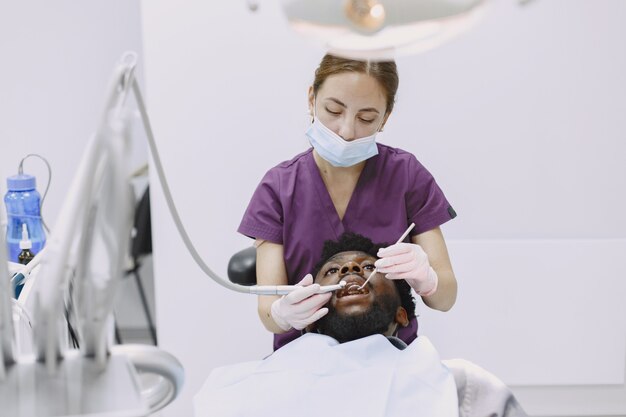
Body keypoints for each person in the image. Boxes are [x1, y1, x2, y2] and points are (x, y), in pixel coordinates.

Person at [238, 53, 458, 350]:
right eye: (333, 110)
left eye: (366, 118)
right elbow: (268, 314)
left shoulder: (406, 176)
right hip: (302, 362)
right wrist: (282, 313)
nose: (346, 131)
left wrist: (428, 280)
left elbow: (446, 298)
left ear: (385, 118)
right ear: (312, 98)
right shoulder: (278, 188)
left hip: (393, 361)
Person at [195, 233, 527, 417]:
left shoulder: (460, 385)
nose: (350, 269)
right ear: (309, 321)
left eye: (367, 266)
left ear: (401, 314)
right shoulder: (242, 388)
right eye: (333, 271)